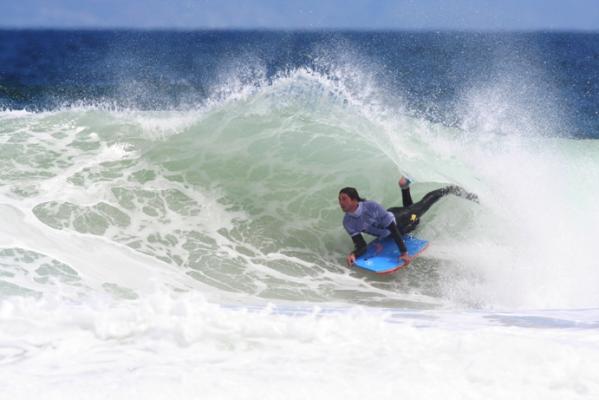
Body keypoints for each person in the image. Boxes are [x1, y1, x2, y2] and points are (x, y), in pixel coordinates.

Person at [339, 177, 478, 267]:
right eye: (340, 199)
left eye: (344, 199)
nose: (341, 202)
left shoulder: (371, 207)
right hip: (395, 221)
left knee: (419, 210)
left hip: (402, 219)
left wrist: (404, 252)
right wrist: (354, 254)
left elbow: (393, 229)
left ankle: (450, 189)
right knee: (415, 220)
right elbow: (361, 245)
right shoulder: (348, 222)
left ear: (354, 199)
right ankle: (405, 187)